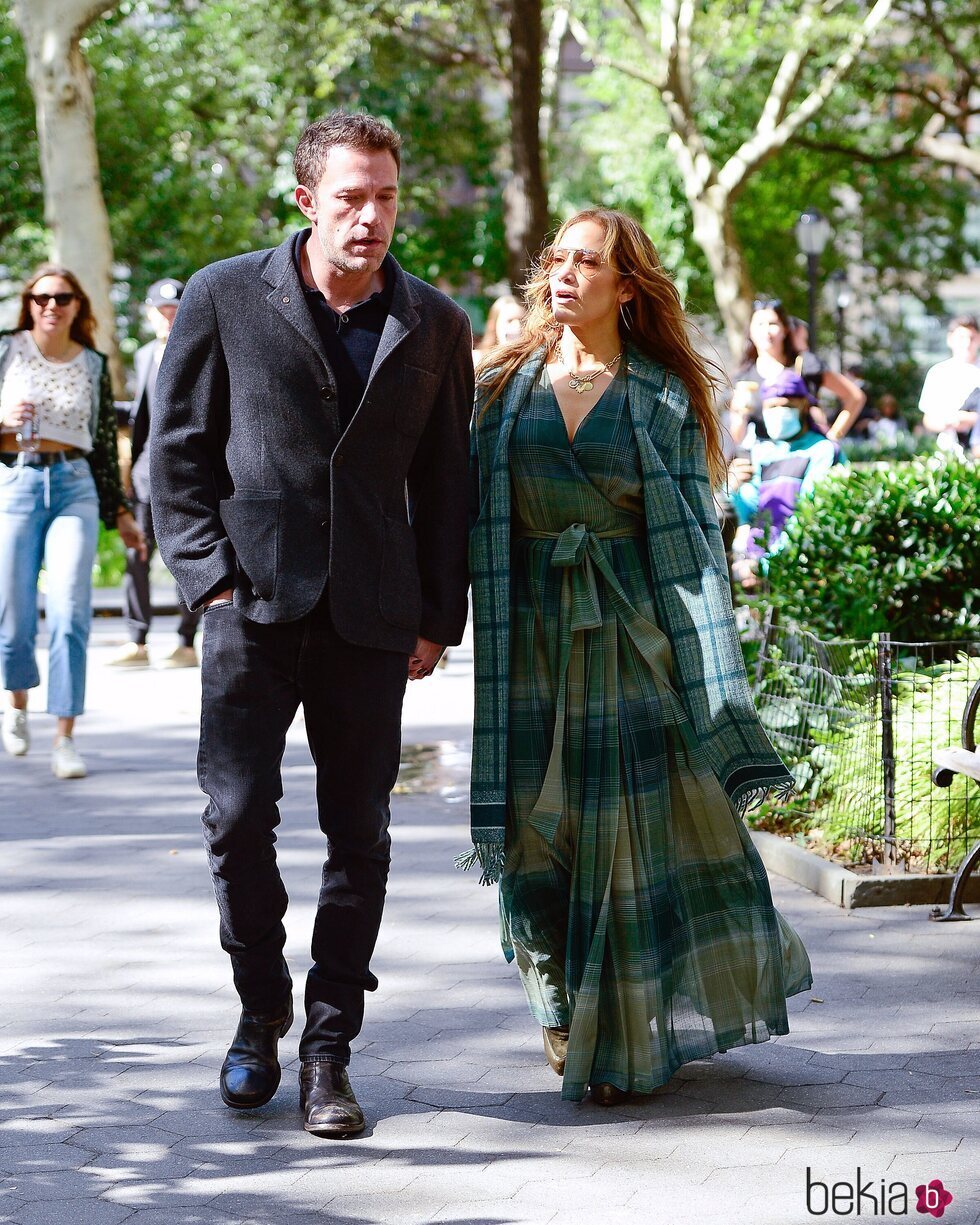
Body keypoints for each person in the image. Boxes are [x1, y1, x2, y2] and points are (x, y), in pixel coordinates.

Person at [150, 111, 472, 1138]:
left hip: (372, 618)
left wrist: (437, 613)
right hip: (248, 606)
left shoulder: (434, 323)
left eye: (384, 196)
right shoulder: (220, 296)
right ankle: (259, 1015)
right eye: (349, 197)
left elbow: (446, 482)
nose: (370, 216)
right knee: (235, 820)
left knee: (359, 835)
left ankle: (327, 1049)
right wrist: (204, 581)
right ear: (305, 201)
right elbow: (175, 451)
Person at [466, 208, 812, 1106]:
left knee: (617, 830)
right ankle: (554, 1002)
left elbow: (694, 548)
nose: (568, 274)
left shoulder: (659, 394)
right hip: (529, 636)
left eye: (591, 262)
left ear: (628, 288)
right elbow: (454, 508)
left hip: (629, 639)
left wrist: (710, 676)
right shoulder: (500, 387)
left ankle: (615, 1030)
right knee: (536, 837)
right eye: (559, 260)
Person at [0, 266, 145, 778]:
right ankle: (16, 706)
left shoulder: (92, 363)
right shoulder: (6, 350)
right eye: (41, 297)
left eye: (62, 297)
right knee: (14, 614)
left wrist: (121, 513)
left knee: (69, 610)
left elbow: (105, 445)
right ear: (29, 303)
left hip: (75, 485)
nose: (51, 306)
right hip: (15, 483)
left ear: (78, 305)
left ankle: (64, 737)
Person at [108, 278, 202, 669]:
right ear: (149, 314)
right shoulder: (146, 354)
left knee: (187, 553)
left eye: (175, 311)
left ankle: (186, 640)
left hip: (190, 473)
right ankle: (137, 639)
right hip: (148, 472)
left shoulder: (201, 349)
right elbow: (141, 416)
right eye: (162, 312)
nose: (168, 319)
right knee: (137, 555)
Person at [728, 368, 844, 586]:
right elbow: (750, 512)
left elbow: (809, 517)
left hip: (802, 571)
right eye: (772, 406)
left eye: (787, 405)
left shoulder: (825, 451)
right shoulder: (763, 452)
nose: (779, 411)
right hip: (756, 571)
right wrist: (732, 488)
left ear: (804, 406)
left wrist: (767, 565)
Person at [787, 316, 867, 440]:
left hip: (808, 443)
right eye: (803, 339)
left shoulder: (807, 362)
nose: (806, 346)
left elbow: (856, 396)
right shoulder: (754, 366)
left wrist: (835, 434)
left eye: (805, 339)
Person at [918, 314, 980, 455]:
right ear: (950, 339)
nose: (967, 343)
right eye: (962, 338)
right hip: (949, 451)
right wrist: (950, 421)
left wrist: (973, 419)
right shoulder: (938, 372)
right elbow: (928, 419)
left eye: (972, 338)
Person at [474, 293, 525, 359]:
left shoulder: (532, 360)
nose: (517, 326)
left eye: (522, 321)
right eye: (510, 320)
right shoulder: (476, 359)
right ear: (493, 325)